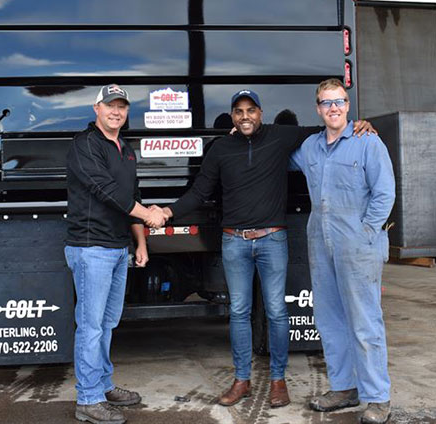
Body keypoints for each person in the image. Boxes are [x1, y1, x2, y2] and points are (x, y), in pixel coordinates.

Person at [159, 89, 375, 409]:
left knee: (276, 312)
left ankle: (278, 381)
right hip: (234, 241)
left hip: (272, 240)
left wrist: (359, 123)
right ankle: (241, 380)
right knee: (238, 312)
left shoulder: (279, 137)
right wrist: (167, 213)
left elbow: (326, 126)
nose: (245, 116)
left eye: (251, 110)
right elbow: (199, 191)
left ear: (261, 113)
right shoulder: (221, 149)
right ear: (232, 116)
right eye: (238, 111)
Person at [290, 78, 395, 424]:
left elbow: (385, 194)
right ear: (318, 108)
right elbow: (275, 153)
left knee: (365, 322)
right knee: (330, 320)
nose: (333, 108)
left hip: (358, 246)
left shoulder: (368, 143)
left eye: (339, 101)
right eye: (326, 102)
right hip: (321, 245)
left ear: (348, 106)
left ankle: (377, 397)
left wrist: (366, 233)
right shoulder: (309, 148)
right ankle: (344, 387)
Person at [65, 84, 168, 424]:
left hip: (118, 247)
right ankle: (88, 400)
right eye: (110, 105)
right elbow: (105, 190)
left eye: (122, 106)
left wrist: (140, 242)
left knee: (108, 324)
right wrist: (149, 214)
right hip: (91, 248)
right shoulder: (85, 145)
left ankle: (103, 385)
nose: (116, 111)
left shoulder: (125, 149)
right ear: (97, 108)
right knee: (91, 326)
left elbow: (132, 195)